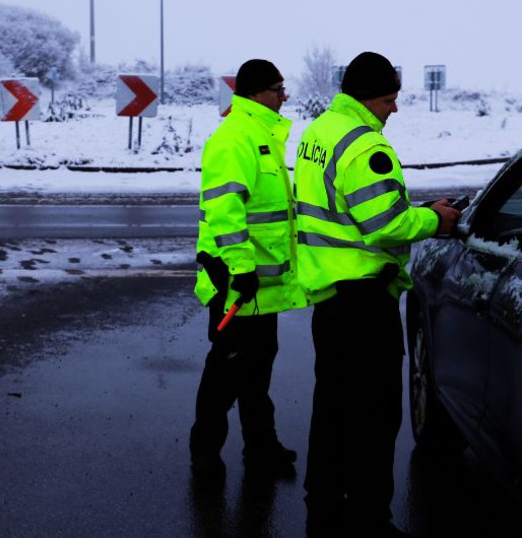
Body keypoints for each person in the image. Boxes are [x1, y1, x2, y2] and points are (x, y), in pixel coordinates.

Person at [294, 51, 460, 537]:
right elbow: (386, 224)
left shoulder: (320, 132)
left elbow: (349, 207)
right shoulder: (367, 147)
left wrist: (418, 207)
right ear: (369, 96)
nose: (394, 109)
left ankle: (323, 504)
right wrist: (436, 220)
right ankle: (370, 518)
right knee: (375, 417)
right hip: (366, 304)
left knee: (332, 410)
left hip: (329, 297)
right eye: (389, 99)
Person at [189, 58, 307, 479]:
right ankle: (205, 451)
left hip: (262, 287)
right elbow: (225, 212)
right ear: (258, 93)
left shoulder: (262, 135)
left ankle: (262, 447)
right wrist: (239, 271)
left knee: (257, 372)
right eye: (279, 89)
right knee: (225, 372)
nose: (284, 97)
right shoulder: (235, 138)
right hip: (237, 285)